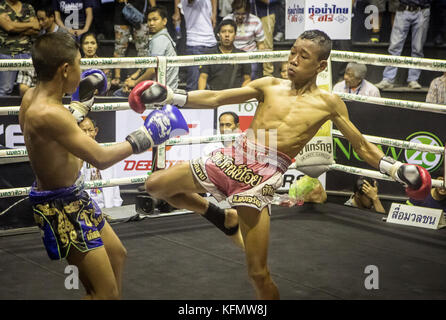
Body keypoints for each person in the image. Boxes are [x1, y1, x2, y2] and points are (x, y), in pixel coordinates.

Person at [128, 29, 431, 299]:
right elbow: (216, 96)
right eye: (292, 53)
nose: (293, 60)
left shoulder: (328, 104)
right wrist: (171, 95)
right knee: (156, 185)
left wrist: (395, 170)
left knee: (258, 274)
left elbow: (362, 145)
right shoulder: (269, 84)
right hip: (234, 156)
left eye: (303, 56)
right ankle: (221, 217)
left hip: (260, 179)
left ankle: (234, 227)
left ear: (321, 66)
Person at [19, 32, 189, 299]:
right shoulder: (50, 113)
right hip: (62, 207)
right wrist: (147, 137)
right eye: (79, 64)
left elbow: (49, 140)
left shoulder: (32, 98)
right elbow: (100, 157)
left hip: (73, 196)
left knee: (117, 256)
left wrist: (76, 110)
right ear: (65, 70)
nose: (82, 71)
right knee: (102, 292)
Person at [114, 5, 178, 97]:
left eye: (155, 19)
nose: (151, 23)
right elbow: (147, 67)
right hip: (159, 87)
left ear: (164, 21)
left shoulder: (160, 39)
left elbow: (152, 70)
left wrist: (135, 83)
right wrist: (132, 77)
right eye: (149, 20)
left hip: (162, 92)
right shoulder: (161, 36)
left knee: (118, 94)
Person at [375, 0, 431, 90]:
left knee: (418, 48)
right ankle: (388, 79)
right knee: (394, 47)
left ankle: (413, 79)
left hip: (422, 9)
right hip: (403, 8)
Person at [16, 5, 68, 97]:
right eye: (38, 19)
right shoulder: (39, 34)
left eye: (43, 19)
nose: (40, 23)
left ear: (52, 17)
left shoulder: (64, 36)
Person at [79, 116, 123, 211]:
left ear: (96, 131)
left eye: (90, 130)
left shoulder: (106, 152)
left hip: (107, 206)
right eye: (83, 130)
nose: (87, 134)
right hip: (85, 209)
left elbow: (114, 181)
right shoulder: (73, 155)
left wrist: (116, 205)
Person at [173, 0, 218, 91]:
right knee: (194, 85)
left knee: (213, 83)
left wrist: (214, 13)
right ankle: (191, 105)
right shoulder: (185, 2)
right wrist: (176, 11)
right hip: (195, 45)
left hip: (212, 43)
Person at [112, 0, 155, 88]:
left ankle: (141, 75)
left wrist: (153, 8)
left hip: (140, 12)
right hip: (122, 12)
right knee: (119, 47)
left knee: (143, 48)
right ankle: (117, 77)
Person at [0, 0, 40, 96]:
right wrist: (30, 24)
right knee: (5, 89)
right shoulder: (1, 7)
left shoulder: (28, 7)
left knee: (27, 88)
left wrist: (15, 27)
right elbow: (9, 27)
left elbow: (37, 28)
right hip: (7, 54)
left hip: (27, 54)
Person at [198, 19, 251, 90]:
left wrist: (239, 95)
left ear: (235, 35)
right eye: (223, 32)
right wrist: (202, 98)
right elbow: (203, 77)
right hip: (214, 97)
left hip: (235, 97)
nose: (227, 35)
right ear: (219, 34)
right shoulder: (209, 54)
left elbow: (247, 79)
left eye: (230, 32)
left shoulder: (242, 56)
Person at [223, 0, 265, 80]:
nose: (240, 16)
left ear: (248, 12)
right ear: (234, 10)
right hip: (232, 55)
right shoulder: (227, 20)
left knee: (252, 73)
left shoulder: (256, 21)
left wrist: (260, 57)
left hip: (250, 55)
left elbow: (261, 44)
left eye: (243, 14)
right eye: (237, 13)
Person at [250, 0, 279, 77]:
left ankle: (268, 74)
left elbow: (267, 1)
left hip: (266, 14)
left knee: (266, 44)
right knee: (249, 43)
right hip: (249, 12)